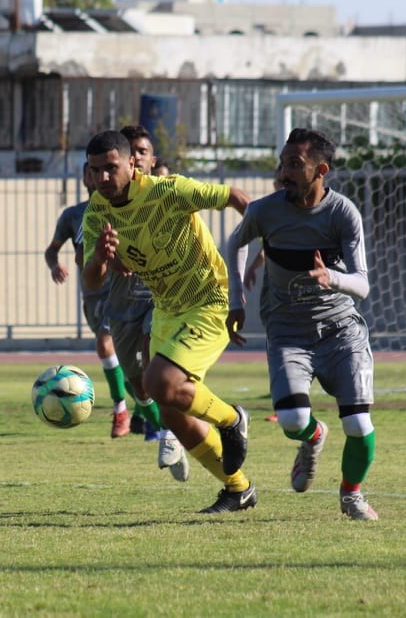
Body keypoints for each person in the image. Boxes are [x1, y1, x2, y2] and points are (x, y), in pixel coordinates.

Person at [82, 130, 254, 513]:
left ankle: (231, 419)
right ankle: (237, 488)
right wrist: (98, 259)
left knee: (159, 382)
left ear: (131, 163)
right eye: (95, 172)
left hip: (207, 300)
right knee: (170, 408)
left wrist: (264, 252)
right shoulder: (97, 209)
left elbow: (236, 197)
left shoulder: (168, 191)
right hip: (167, 310)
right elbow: (90, 280)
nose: (103, 179)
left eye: (111, 168)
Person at [224, 127, 379, 521]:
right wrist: (236, 299)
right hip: (288, 333)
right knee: (292, 421)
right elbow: (235, 242)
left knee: (359, 423)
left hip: (341, 330)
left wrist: (333, 280)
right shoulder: (265, 210)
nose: (283, 172)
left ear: (320, 169)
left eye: (294, 164)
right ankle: (313, 437)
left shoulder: (343, 213)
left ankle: (351, 495)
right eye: (283, 162)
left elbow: (362, 283)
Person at [111, 124, 189, 480]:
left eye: (143, 151)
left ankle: (172, 434)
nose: (138, 157)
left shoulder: (165, 193)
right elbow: (90, 262)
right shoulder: (106, 200)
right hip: (122, 303)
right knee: (138, 382)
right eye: (133, 152)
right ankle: (160, 422)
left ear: (150, 159)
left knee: (156, 361)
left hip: (163, 299)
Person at [44, 162, 133, 438]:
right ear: (85, 177)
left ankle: (121, 411)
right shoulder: (72, 215)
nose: (97, 177)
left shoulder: (120, 207)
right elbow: (52, 250)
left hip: (119, 291)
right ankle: (146, 413)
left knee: (105, 345)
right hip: (92, 296)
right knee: (123, 361)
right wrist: (54, 265)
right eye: (91, 171)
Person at [241, 169, 285, 423]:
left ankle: (292, 404)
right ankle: (285, 404)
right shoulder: (274, 210)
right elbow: (268, 245)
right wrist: (253, 268)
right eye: (278, 182)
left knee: (287, 346)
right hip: (275, 291)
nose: (280, 187)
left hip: (299, 293)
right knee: (276, 344)